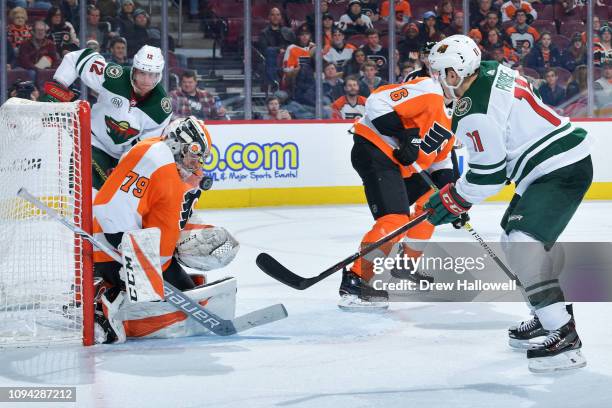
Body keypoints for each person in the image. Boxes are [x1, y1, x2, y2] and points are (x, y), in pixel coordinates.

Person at [426, 35, 591, 372]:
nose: (438, 79)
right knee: (511, 238)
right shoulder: (492, 69)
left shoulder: (474, 112)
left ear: (456, 74)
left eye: (441, 73)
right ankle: (544, 316)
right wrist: (458, 196)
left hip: (559, 169)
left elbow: (489, 176)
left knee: (522, 244)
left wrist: (454, 199)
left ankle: (565, 335)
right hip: (550, 163)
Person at [92, 117, 238, 343]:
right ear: (176, 144)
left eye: (199, 158)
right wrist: (130, 254)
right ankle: (102, 299)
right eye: (192, 155)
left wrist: (198, 235)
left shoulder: (178, 172)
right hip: (113, 254)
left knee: (192, 302)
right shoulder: (153, 155)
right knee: (161, 308)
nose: (195, 164)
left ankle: (109, 291)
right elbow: (108, 207)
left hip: (153, 258)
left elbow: (173, 218)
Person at [340, 66, 457, 310]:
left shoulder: (455, 115)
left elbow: (441, 161)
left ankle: (407, 265)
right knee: (394, 220)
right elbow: (376, 102)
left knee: (433, 205)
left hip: (401, 167)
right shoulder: (428, 89)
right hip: (375, 151)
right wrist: (406, 135)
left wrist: (454, 198)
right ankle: (357, 279)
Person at [43, 44, 172, 191]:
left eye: (152, 75)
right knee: (80, 194)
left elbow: (143, 147)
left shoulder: (161, 109)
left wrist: (123, 168)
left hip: (124, 159)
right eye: (142, 73)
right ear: (134, 70)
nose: (146, 80)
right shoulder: (114, 76)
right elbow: (76, 59)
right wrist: (59, 85)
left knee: (112, 208)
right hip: (93, 144)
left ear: (159, 75)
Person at [257, 7, 296, 88]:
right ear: (269, 17)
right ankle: (274, 83)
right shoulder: (264, 33)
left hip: (287, 57)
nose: (275, 17)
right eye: (273, 15)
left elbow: (294, 46)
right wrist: (278, 50)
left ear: (281, 17)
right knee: (270, 53)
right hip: (272, 59)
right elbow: (264, 49)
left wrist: (286, 51)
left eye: (278, 15)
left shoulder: (288, 31)